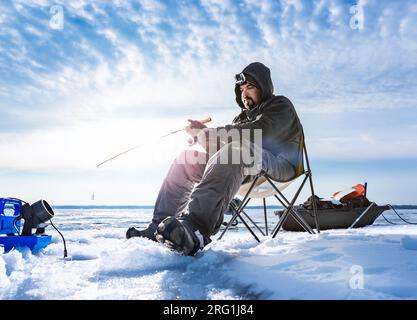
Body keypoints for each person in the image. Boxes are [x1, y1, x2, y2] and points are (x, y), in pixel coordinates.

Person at [126, 62, 303, 256]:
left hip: (280, 167)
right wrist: (200, 136)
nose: (245, 93)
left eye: (250, 87)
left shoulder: (280, 106)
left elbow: (257, 133)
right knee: (187, 159)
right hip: (242, 168)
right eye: (242, 89)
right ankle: (159, 228)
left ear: (264, 87)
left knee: (235, 150)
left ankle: (195, 229)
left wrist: (207, 134)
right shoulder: (240, 119)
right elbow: (221, 154)